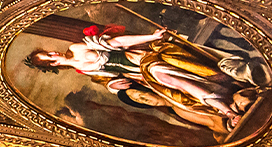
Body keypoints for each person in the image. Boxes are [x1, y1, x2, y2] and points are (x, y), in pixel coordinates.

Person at [25, 24, 258, 130]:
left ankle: (227, 109)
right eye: (50, 58)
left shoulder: (77, 48)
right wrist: (114, 86)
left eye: (49, 52)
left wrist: (150, 36)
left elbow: (116, 43)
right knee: (177, 98)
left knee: (163, 75)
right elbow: (110, 79)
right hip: (141, 76)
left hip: (143, 59)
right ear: (53, 65)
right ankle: (223, 110)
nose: (54, 53)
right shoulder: (84, 71)